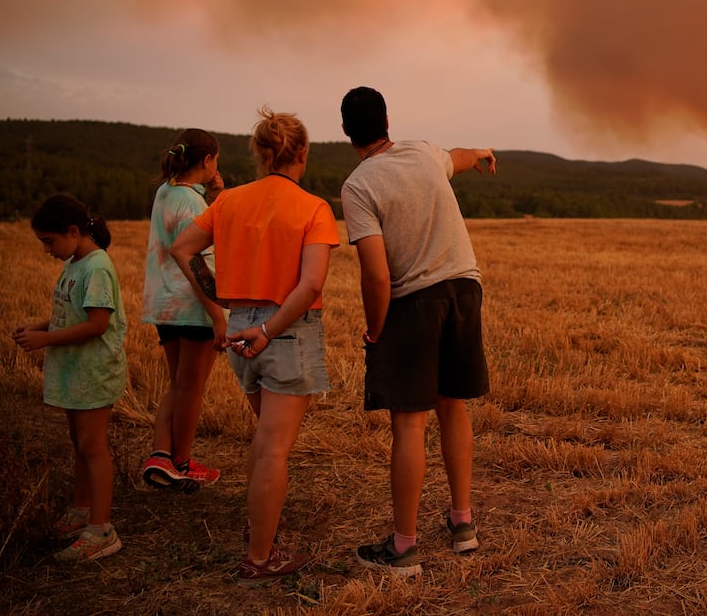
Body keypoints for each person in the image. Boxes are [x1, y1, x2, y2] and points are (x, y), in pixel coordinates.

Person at [170, 108, 338, 586]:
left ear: (260, 154)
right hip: (284, 331)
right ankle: (260, 558)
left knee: (265, 439)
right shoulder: (313, 208)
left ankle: (257, 527)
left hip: (240, 329)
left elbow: (182, 249)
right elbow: (308, 287)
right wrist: (269, 329)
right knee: (273, 450)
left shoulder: (228, 202)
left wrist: (220, 305)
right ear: (301, 152)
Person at [339, 86, 495, 579]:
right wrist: (484, 154)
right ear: (388, 120)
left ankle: (404, 548)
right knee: (454, 407)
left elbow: (376, 275)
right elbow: (462, 156)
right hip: (465, 290)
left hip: (415, 302)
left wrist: (374, 327)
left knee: (410, 424)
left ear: (347, 132)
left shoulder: (358, 186)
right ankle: (463, 525)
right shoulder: (424, 151)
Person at [12, 194, 128, 563]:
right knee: (79, 442)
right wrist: (40, 327)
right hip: (73, 372)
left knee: (93, 446)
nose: (47, 250)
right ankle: (81, 512)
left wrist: (45, 339)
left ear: (74, 231)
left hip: (93, 371)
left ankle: (101, 530)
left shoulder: (95, 267)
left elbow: (96, 325)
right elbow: (73, 315)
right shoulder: (75, 264)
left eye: (50, 241)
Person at [141, 129, 227, 491]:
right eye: (216, 160)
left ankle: (161, 455)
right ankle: (182, 462)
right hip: (192, 307)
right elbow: (198, 264)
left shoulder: (166, 192)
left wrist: (215, 197)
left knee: (177, 384)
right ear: (207, 161)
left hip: (163, 305)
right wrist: (218, 314)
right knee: (191, 388)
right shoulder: (193, 205)